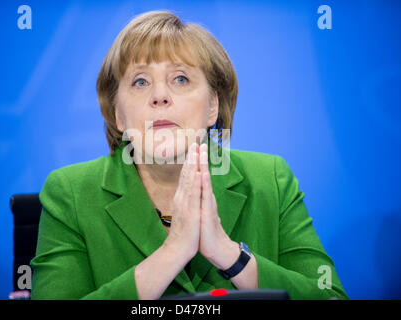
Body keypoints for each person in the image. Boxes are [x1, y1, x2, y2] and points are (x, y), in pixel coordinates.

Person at [30, 10, 348, 300]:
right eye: (140, 82)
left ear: (213, 106)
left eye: (180, 79)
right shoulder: (69, 192)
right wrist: (172, 252)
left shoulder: (271, 180)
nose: (159, 96)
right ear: (119, 116)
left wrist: (228, 254)